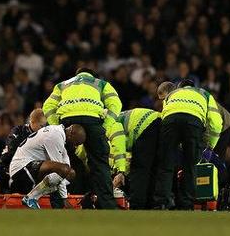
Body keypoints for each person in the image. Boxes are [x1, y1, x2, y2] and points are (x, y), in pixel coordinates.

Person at [42, 67, 121, 209]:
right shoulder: (100, 83)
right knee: (100, 165)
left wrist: (58, 127)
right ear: (92, 75)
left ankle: (58, 203)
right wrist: (105, 126)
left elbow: (47, 106)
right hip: (92, 119)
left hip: (67, 120)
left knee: (58, 163)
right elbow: (115, 104)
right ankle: (107, 206)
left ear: (76, 75)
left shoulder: (63, 85)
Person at [153, 81, 223, 209]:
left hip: (170, 121)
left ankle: (162, 202)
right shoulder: (204, 94)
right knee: (190, 165)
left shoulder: (173, 94)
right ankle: (187, 204)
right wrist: (210, 146)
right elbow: (216, 123)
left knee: (165, 164)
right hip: (194, 122)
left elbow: (165, 114)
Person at [9, 124, 86, 209]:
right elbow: (60, 171)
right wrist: (64, 200)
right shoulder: (55, 135)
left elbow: (64, 174)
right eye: (77, 143)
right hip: (20, 170)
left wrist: (64, 198)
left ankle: (56, 206)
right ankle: (31, 198)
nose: (75, 146)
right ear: (71, 133)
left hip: (31, 169)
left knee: (70, 173)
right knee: (63, 169)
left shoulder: (61, 141)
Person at [111, 108, 162, 209]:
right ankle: (154, 204)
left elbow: (119, 148)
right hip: (161, 122)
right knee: (155, 169)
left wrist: (120, 172)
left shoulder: (109, 126)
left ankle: (137, 206)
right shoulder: (115, 118)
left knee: (140, 170)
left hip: (146, 126)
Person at [0, 108, 47, 191]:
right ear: (32, 122)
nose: (43, 129)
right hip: (8, 169)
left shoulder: (44, 135)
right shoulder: (19, 132)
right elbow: (11, 154)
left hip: (29, 170)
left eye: (45, 126)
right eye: (41, 126)